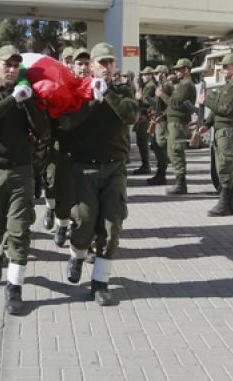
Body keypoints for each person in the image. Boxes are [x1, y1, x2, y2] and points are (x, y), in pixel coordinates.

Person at [0, 45, 50, 314]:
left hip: (20, 172)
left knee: (19, 230)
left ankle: (15, 287)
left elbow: (43, 130)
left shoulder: (26, 94)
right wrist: (11, 100)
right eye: (7, 64)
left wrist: (27, 102)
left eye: (16, 65)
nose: (11, 69)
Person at [60, 42, 138, 306]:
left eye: (110, 62)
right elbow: (67, 124)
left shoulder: (123, 90)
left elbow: (130, 116)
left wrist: (109, 95)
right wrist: (92, 100)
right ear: (91, 66)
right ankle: (77, 253)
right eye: (101, 62)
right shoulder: (78, 92)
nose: (106, 67)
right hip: (85, 167)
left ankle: (100, 282)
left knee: (111, 226)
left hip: (114, 166)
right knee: (82, 221)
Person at [43, 47, 91, 247]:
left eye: (85, 63)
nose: (81, 67)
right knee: (58, 189)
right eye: (76, 62)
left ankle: (83, 238)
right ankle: (62, 223)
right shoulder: (59, 85)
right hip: (61, 147)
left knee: (84, 198)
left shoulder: (96, 86)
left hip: (87, 150)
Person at [196, 53, 233, 216]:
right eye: (223, 66)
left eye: (226, 66)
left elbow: (225, 109)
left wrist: (206, 100)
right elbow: (216, 110)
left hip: (227, 130)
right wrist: (207, 124)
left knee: (225, 167)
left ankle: (225, 203)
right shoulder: (227, 85)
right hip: (219, 130)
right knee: (223, 167)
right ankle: (231, 204)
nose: (223, 69)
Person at [157, 59, 196, 194]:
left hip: (178, 122)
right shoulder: (181, 84)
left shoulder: (186, 85)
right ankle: (179, 181)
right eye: (176, 69)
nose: (176, 72)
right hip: (174, 121)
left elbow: (175, 104)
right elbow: (172, 106)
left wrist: (161, 94)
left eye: (179, 69)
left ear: (186, 70)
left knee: (176, 151)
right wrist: (164, 115)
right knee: (172, 151)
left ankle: (181, 183)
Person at [146, 65, 170, 186]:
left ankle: (161, 174)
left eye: (157, 73)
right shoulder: (160, 87)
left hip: (163, 121)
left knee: (160, 147)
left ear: (163, 74)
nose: (155, 76)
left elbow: (172, 105)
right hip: (157, 119)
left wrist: (163, 116)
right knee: (156, 146)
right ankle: (160, 173)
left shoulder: (167, 86)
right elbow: (158, 103)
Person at [132, 66, 156, 175]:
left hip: (145, 116)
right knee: (141, 142)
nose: (143, 77)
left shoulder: (150, 86)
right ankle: (145, 165)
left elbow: (147, 102)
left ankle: (146, 166)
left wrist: (139, 98)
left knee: (142, 141)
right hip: (144, 116)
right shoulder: (148, 85)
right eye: (143, 75)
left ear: (150, 75)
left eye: (145, 75)